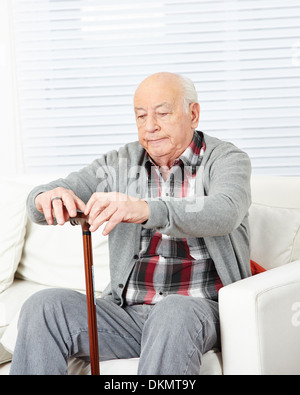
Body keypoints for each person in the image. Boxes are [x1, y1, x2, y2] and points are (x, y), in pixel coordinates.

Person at [10, 72, 252, 375]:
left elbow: (225, 210)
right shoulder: (121, 162)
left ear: (193, 114)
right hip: (126, 313)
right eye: (140, 116)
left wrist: (145, 209)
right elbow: (45, 201)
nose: (150, 126)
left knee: (173, 310)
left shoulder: (226, 159)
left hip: (198, 310)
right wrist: (46, 196)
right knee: (44, 306)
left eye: (162, 113)